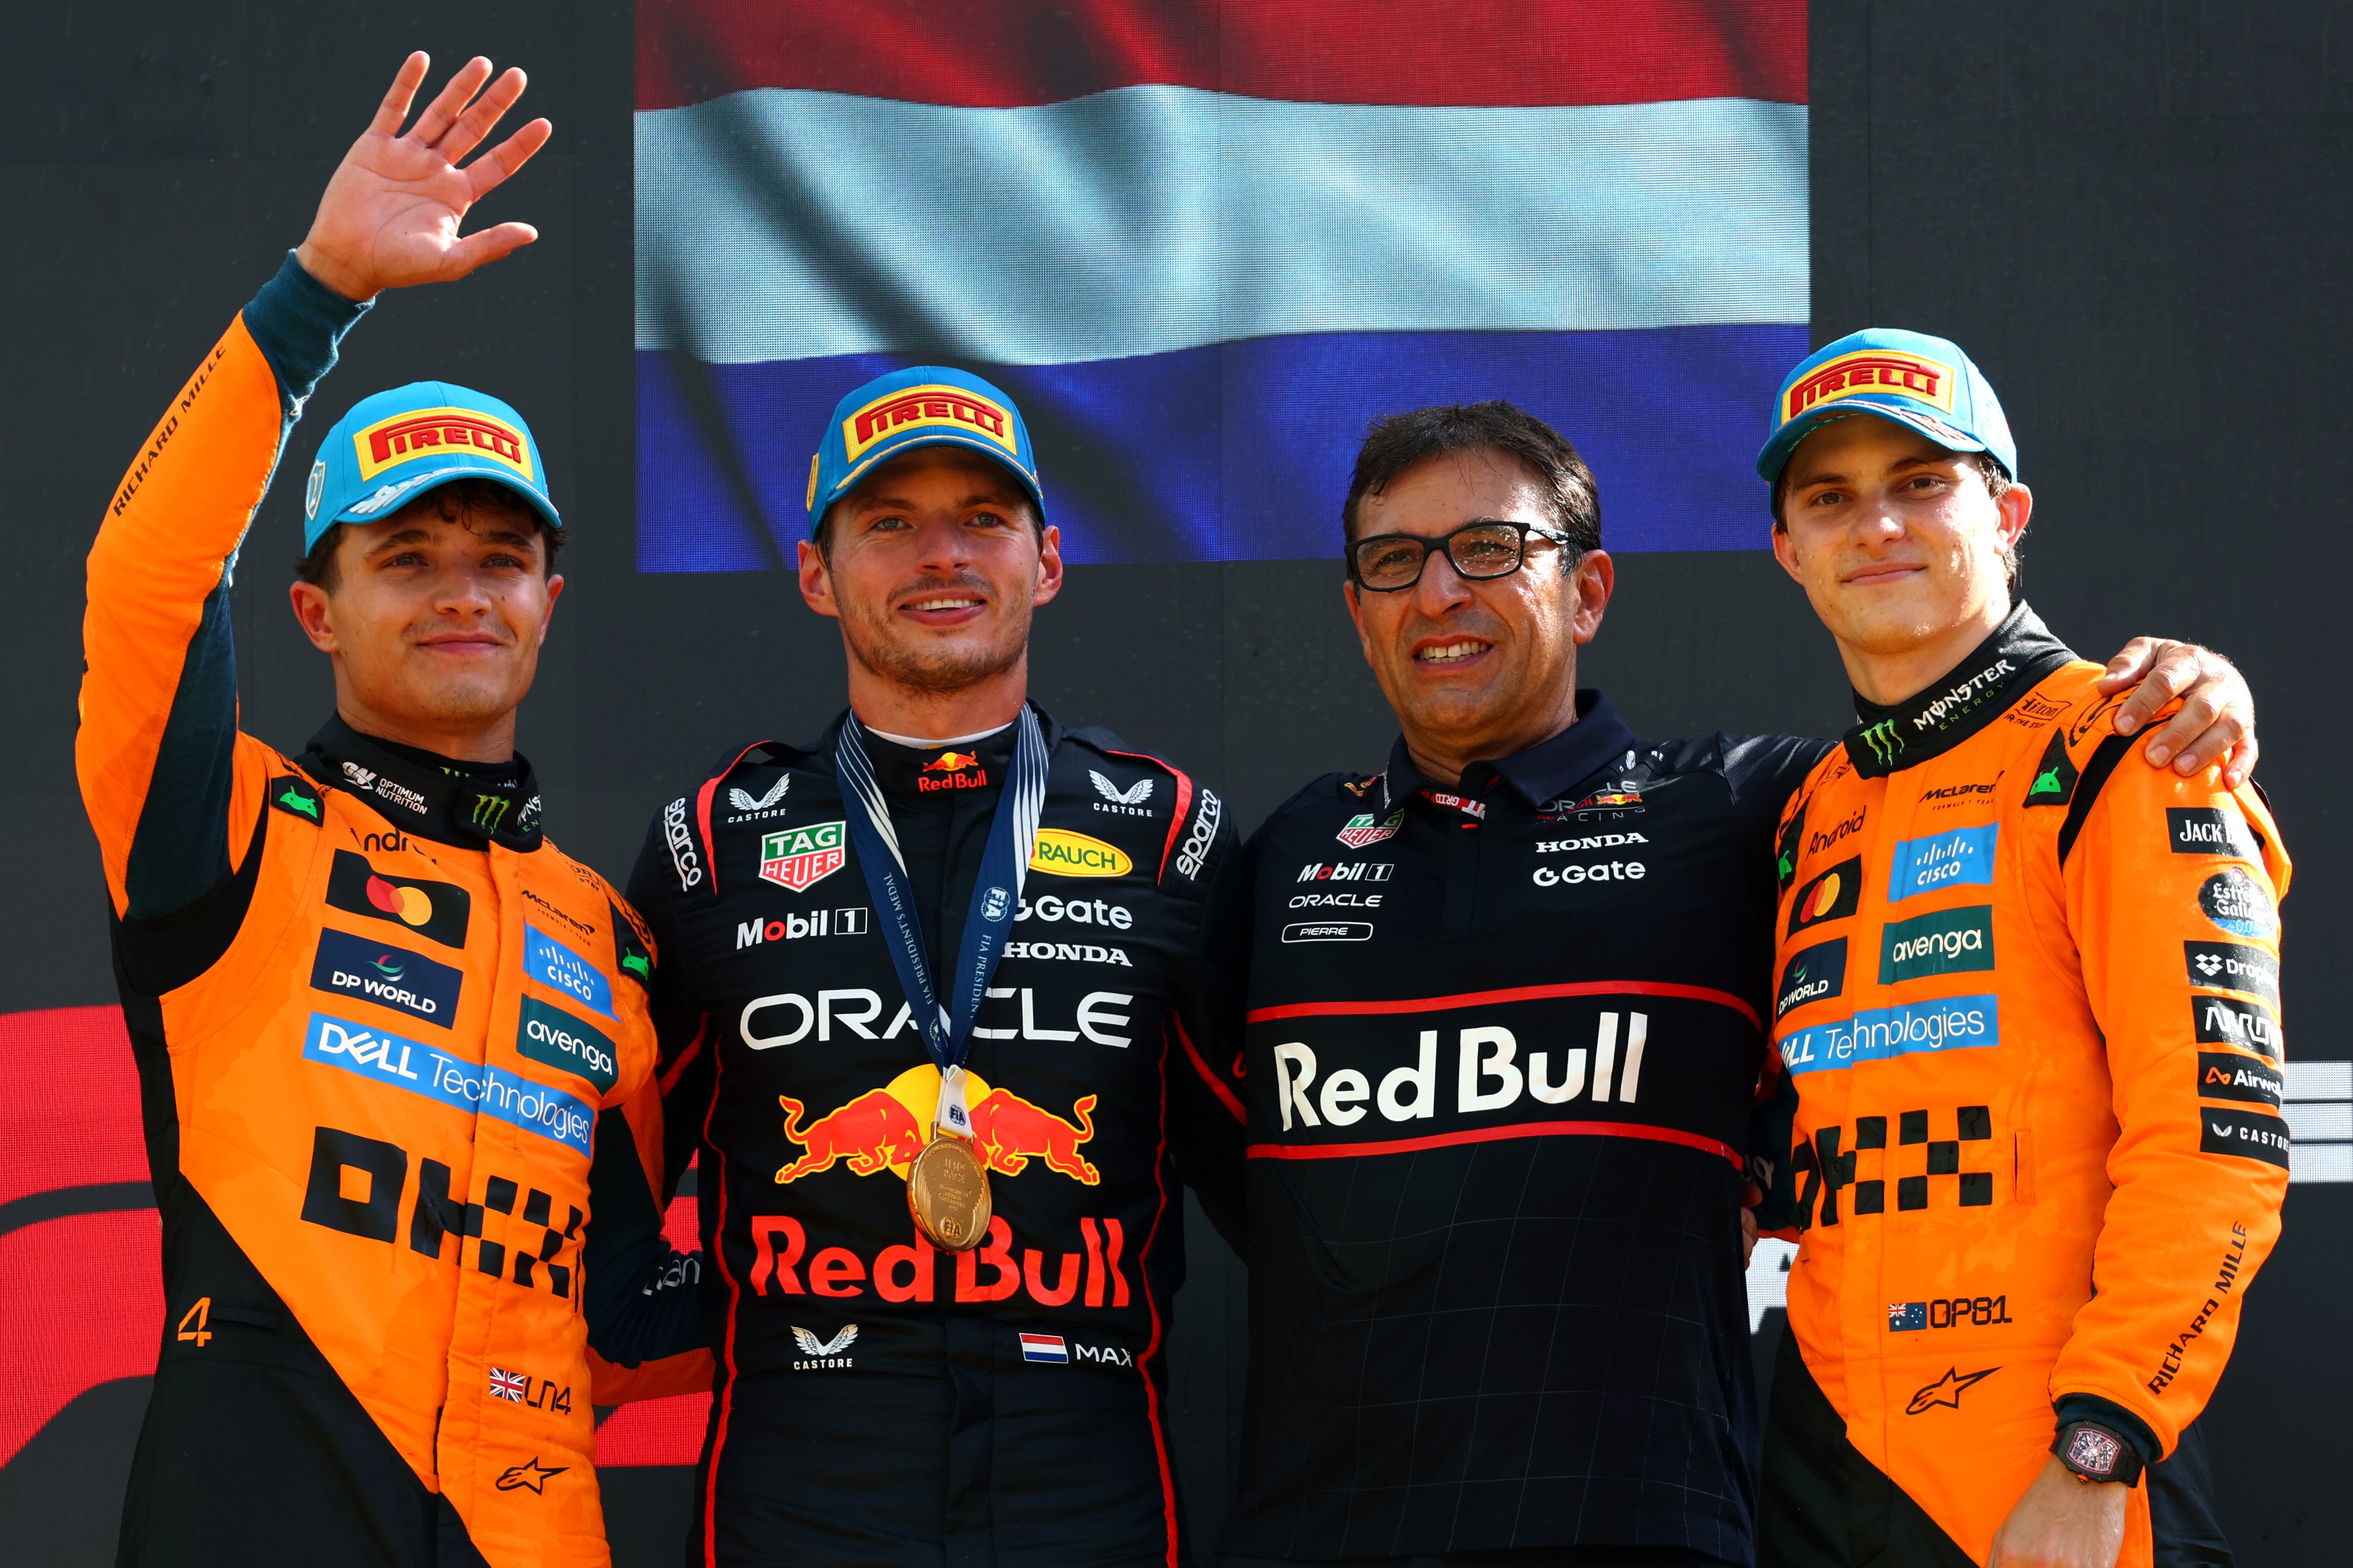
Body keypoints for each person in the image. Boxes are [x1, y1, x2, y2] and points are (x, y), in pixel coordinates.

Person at [1206, 400, 2258, 1568]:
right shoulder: (1290, 847)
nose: (1441, 592)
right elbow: (1197, 1146)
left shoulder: (1755, 804)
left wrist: (2178, 693)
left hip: (1646, 1522)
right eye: (1394, 561)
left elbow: (1981, 764)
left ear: (1590, 591)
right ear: (1357, 613)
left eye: (1491, 549)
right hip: (1316, 1526)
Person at [76, 54, 706, 1567]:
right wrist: (312, 300)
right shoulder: (226, 826)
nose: (460, 590)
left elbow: (618, 1300)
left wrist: (850, 1280)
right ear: (314, 607)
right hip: (258, 1502)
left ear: (550, 601)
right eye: (406, 555)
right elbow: (150, 588)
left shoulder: (608, 935)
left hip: (527, 1527)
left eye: (499, 556)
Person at [626, 366, 1248, 1567]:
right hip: (804, 1466)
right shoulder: (710, 842)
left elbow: (1293, 1186)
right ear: (817, 573)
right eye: (889, 523)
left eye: (982, 518)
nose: (941, 555)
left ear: (1047, 561)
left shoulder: (1173, 833)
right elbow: (600, 1173)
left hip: (1087, 1466)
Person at [1751, 329, 2289, 1568]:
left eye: (1920, 481)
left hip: (2052, 1474)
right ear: (1787, 550)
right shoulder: (1809, 807)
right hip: (1822, 1458)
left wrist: (2098, 1448)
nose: (1874, 524)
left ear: (2006, 512)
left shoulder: (2134, 750)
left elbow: (2215, 1146)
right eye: (1829, 497)